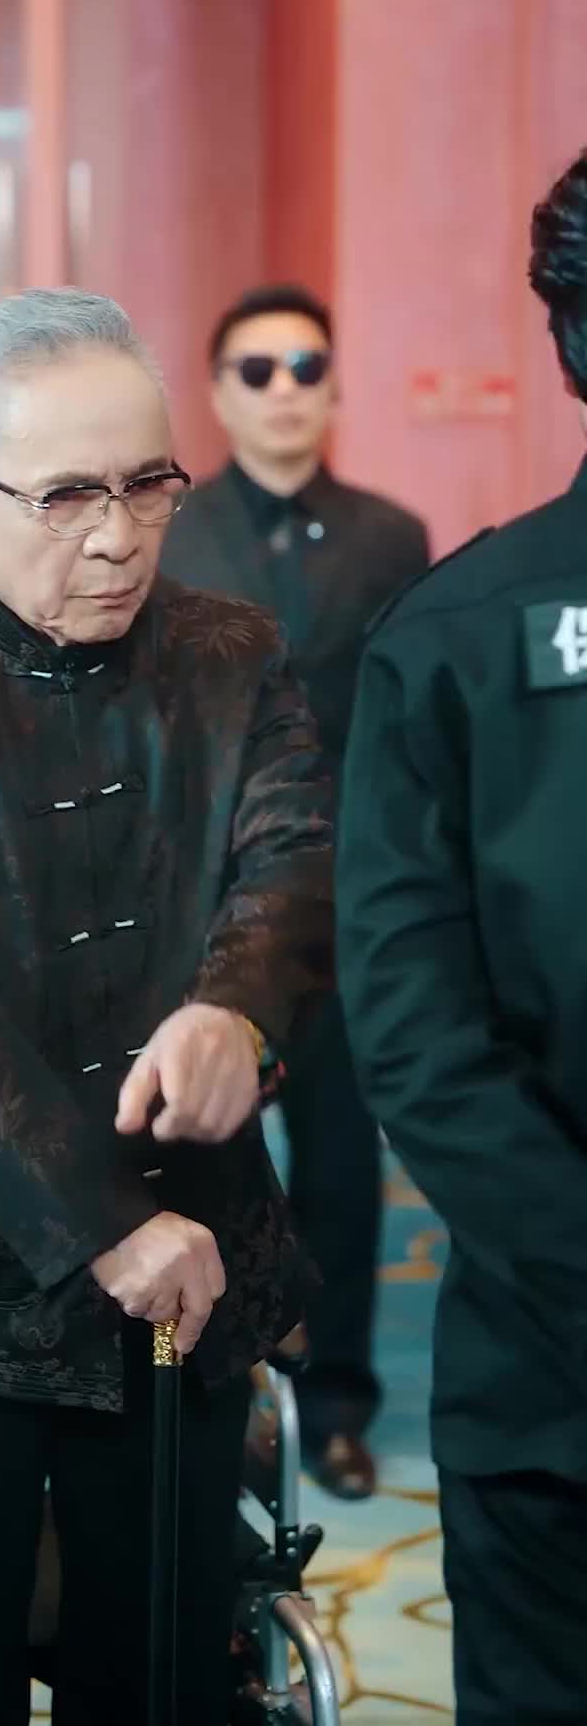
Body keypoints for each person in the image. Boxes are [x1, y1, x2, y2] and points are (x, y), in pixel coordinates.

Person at [0, 287, 334, 1725]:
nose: (119, 536)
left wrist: (237, 1014)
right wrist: (106, 1226)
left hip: (187, 1272)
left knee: (159, 1673)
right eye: (68, 495)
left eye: (149, 485)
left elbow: (291, 866)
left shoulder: (235, 655)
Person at [337, 148, 587, 1724]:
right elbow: (414, 1033)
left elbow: (418, 1036)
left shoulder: (449, 627)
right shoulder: (453, 640)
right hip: (555, 1381)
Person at [160, 283, 430, 1497]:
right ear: (219, 394)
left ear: (334, 387)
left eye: (307, 367)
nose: (285, 391)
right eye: (257, 370)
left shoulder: (391, 536)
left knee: (338, 1164)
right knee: (196, 1156)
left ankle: (337, 1405)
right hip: (201, 904)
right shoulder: (173, 530)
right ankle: (205, 1391)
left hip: (346, 904)